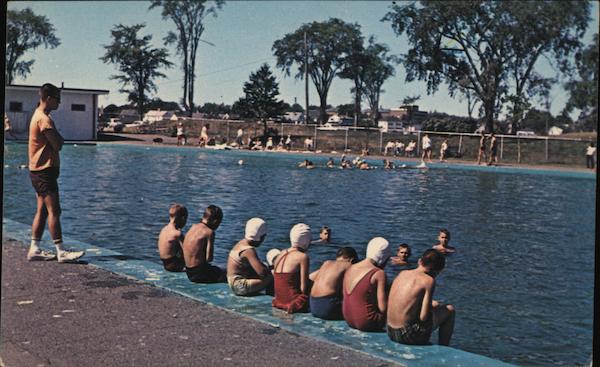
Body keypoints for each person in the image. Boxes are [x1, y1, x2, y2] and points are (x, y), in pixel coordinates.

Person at [27, 83, 85, 263]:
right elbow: (58, 144)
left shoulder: (38, 115)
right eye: (58, 99)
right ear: (49, 98)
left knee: (42, 211)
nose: (60, 102)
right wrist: (60, 137)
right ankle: (61, 251)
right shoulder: (44, 119)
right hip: (44, 172)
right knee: (54, 210)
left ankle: (34, 249)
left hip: (38, 171)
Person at [387, 249, 455, 346]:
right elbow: (423, 317)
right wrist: (431, 307)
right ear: (436, 271)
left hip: (390, 331)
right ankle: (444, 347)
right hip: (406, 336)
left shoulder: (403, 273)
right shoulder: (428, 281)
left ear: (420, 261)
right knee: (450, 310)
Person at [342, 237, 391, 331]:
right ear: (384, 258)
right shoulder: (379, 273)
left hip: (348, 319)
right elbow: (383, 308)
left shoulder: (351, 267)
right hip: (367, 322)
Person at [226, 218, 273, 296]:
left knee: (264, 265)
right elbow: (262, 273)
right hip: (240, 286)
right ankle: (272, 295)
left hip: (233, 282)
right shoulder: (248, 250)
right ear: (260, 237)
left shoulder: (241, 243)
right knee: (272, 275)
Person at [272, 223, 312, 313]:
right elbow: (303, 288)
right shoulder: (302, 257)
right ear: (305, 241)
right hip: (293, 302)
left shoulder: (282, 253)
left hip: (279, 300)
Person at [309, 247, 358, 320]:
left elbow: (310, 277)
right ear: (352, 260)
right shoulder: (349, 265)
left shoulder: (327, 263)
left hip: (313, 305)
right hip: (328, 308)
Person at [182, 205, 226, 283]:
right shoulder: (209, 232)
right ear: (215, 221)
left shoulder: (193, 227)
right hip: (201, 275)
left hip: (189, 272)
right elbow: (209, 258)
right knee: (229, 270)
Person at [157, 204, 188, 272]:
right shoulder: (177, 233)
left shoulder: (164, 229)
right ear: (183, 218)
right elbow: (187, 252)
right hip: (174, 266)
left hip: (165, 264)